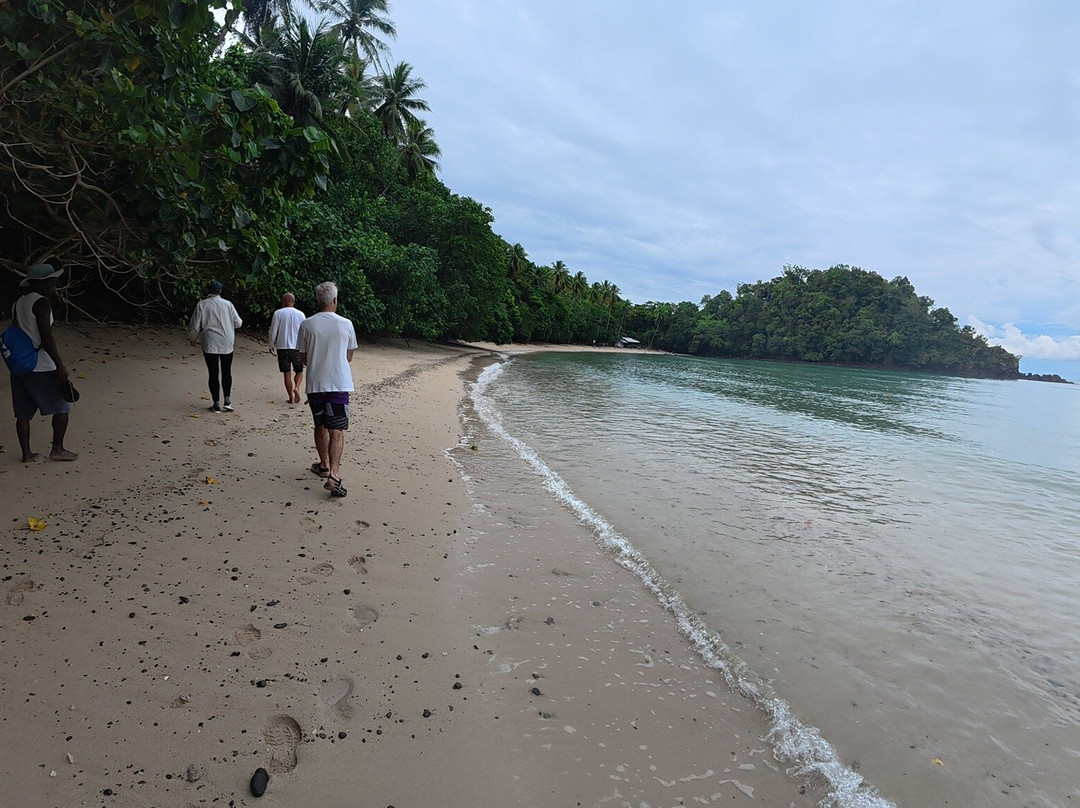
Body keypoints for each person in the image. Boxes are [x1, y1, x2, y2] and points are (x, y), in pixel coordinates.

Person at [9, 263, 78, 462]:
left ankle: (27, 454)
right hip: (41, 365)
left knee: (23, 413)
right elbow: (46, 336)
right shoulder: (41, 303)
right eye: (52, 280)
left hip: (21, 364)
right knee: (62, 406)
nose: (54, 284)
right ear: (44, 282)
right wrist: (59, 365)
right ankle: (58, 448)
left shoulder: (18, 303)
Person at [296, 281, 356, 498]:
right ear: (335, 300)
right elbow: (349, 356)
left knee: (320, 424)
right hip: (338, 383)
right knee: (336, 430)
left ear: (318, 300)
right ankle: (334, 475)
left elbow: (303, 358)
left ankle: (323, 464)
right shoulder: (346, 324)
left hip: (316, 384)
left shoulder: (307, 324)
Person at [188, 280, 242, 413]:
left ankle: (216, 403)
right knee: (226, 371)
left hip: (210, 341)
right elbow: (238, 323)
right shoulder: (228, 304)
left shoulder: (202, 304)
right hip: (226, 341)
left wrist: (192, 339)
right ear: (220, 291)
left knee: (213, 372)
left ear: (208, 291)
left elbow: (195, 325)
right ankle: (227, 400)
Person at [268, 292, 305, 404]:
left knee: (286, 373)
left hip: (282, 347)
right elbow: (304, 332)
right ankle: (297, 387)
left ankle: (291, 398)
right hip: (297, 347)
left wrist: (271, 344)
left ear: (284, 301)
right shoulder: (301, 314)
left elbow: (273, 330)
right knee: (299, 371)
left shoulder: (278, 313)